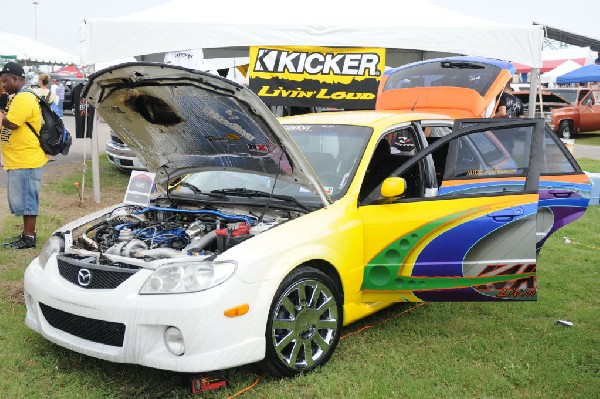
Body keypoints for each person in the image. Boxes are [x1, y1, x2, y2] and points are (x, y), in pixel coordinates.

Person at [0, 62, 47, 249]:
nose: (3, 85)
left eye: (4, 81)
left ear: (15, 79)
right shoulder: (16, 97)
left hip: (26, 158)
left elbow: (12, 123)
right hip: (19, 158)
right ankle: (26, 234)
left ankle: (29, 238)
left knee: (28, 199)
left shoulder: (24, 98)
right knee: (23, 199)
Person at [33, 73, 59, 162]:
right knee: (47, 137)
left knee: (36, 136)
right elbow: (55, 106)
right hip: (47, 118)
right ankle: (48, 156)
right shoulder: (51, 93)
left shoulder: (34, 92)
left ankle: (37, 156)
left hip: (36, 117)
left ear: (40, 81)